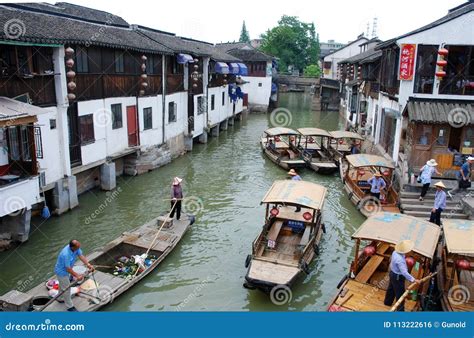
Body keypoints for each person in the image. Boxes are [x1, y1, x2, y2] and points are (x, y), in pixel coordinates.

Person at [54, 240, 94, 312]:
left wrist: (88, 264)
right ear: (72, 247)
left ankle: (59, 298)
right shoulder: (65, 254)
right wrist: (77, 275)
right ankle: (70, 307)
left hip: (68, 270)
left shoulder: (76, 248)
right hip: (62, 272)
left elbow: (81, 256)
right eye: (78, 247)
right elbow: (68, 268)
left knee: (63, 285)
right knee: (67, 289)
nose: (79, 248)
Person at [384, 240, 420, 311]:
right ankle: (400, 311)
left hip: (392, 273)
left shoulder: (395, 252)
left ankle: (387, 302)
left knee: (391, 289)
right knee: (400, 293)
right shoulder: (400, 260)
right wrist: (414, 280)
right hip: (397, 277)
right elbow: (404, 273)